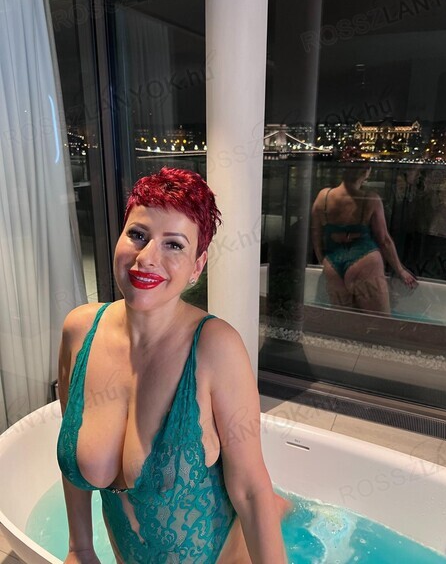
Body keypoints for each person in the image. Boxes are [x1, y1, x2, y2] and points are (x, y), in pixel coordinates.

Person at [57, 167, 288, 564]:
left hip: (225, 557)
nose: (147, 258)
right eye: (138, 235)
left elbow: (250, 491)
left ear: (197, 266)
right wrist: (80, 547)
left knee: (273, 506)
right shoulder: (79, 332)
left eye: (174, 245)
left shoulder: (216, 348)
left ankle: (289, 511)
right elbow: (72, 450)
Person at [311, 162, 417, 314]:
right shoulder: (370, 199)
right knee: (378, 321)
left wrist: (323, 261)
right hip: (365, 260)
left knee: (344, 323)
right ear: (366, 171)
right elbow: (384, 240)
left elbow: (316, 235)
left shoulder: (323, 196)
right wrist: (400, 270)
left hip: (332, 263)